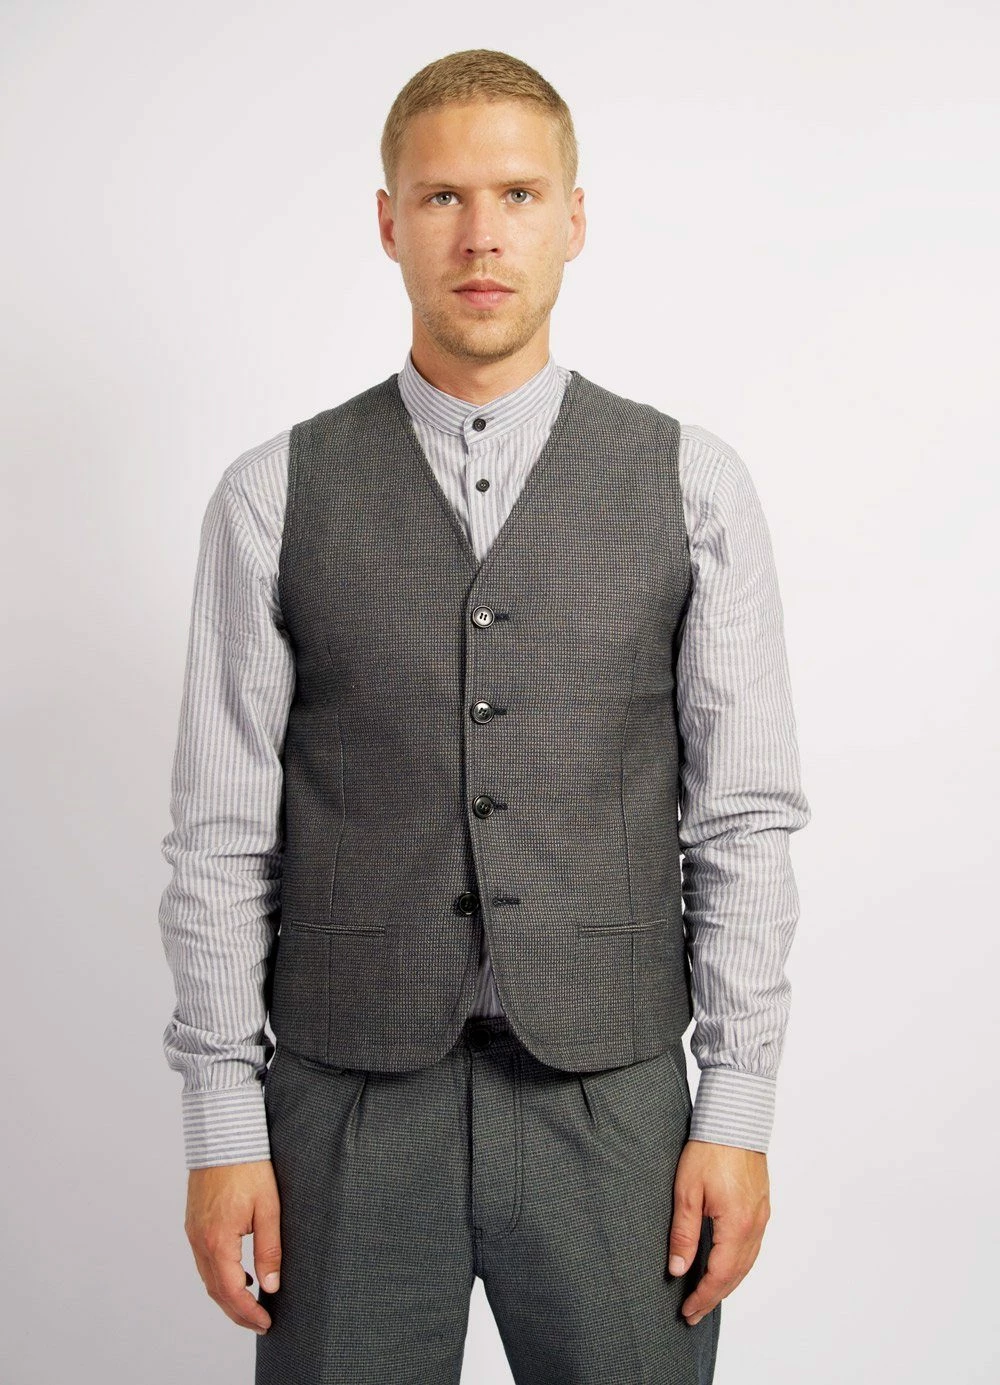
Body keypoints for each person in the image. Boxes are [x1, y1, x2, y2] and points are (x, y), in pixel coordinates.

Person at [158, 47, 811, 1385]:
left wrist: (737, 1107)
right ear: (388, 221)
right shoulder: (271, 496)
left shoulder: (693, 484)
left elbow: (742, 821)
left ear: (574, 218)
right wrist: (222, 1121)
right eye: (442, 196)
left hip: (613, 1106)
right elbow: (223, 834)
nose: (480, 235)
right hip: (343, 1108)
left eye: (517, 194)